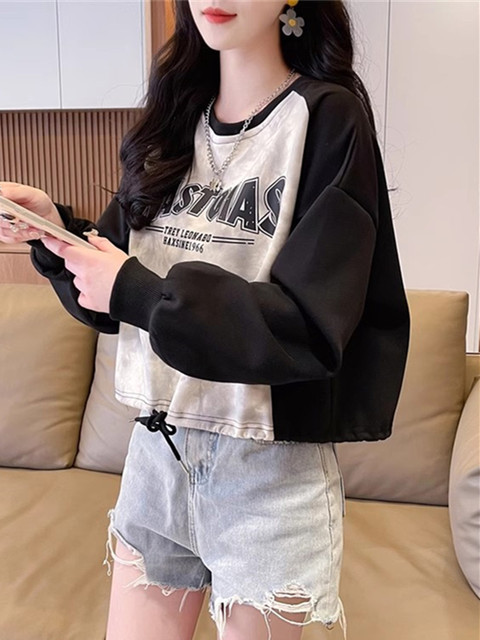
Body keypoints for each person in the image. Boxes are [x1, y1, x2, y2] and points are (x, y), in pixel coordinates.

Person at [0, 1, 411, 638]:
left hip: (267, 472)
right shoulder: (172, 121)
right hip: (155, 454)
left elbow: (310, 326)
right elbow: (113, 291)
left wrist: (137, 292)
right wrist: (56, 232)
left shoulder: (327, 119)